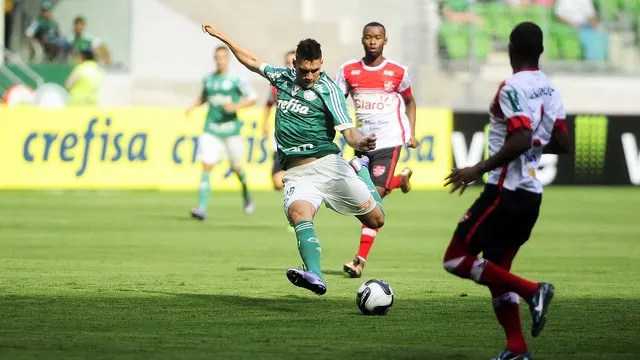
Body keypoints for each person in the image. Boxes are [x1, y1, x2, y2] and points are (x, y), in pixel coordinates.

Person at [201, 23, 385, 296]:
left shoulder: (329, 90)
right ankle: (315, 274)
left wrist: (361, 143)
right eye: (304, 70)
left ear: (321, 64)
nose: (310, 76)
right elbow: (251, 61)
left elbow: (348, 132)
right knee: (299, 213)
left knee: (376, 221)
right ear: (295, 63)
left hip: (328, 166)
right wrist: (222, 36)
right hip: (297, 173)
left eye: (315, 70)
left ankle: (362, 171)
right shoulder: (282, 77)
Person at [442, 22, 571, 360]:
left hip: (504, 191)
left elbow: (521, 137)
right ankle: (516, 348)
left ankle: (533, 291)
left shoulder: (511, 87)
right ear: (540, 51)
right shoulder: (551, 91)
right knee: (498, 274)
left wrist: (476, 169)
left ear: (511, 49)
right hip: (531, 196)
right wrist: (531, 146)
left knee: (455, 259)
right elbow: (561, 142)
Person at [335, 22, 417, 278]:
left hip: (388, 142)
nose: (373, 41)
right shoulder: (348, 70)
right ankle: (399, 181)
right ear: (362, 40)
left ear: (385, 40)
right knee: (361, 197)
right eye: (368, 37)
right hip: (361, 143)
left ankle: (359, 260)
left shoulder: (398, 72)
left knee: (372, 199)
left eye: (377, 37)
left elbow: (410, 101)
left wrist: (412, 132)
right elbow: (337, 102)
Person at [186, 45, 257, 220]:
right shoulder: (209, 80)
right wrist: (192, 107)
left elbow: (253, 98)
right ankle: (202, 208)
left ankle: (246, 194)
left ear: (228, 60)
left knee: (237, 168)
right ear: (214, 59)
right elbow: (204, 98)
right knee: (207, 165)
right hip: (211, 128)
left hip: (231, 130)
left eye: (223, 58)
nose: (220, 61)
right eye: (217, 58)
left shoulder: (235, 80)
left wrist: (236, 106)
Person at [262, 50, 295, 191]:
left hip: (300, 137)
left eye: (293, 62)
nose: (291, 65)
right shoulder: (277, 84)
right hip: (281, 135)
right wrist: (264, 123)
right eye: (288, 62)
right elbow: (268, 104)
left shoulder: (308, 83)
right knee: (277, 183)